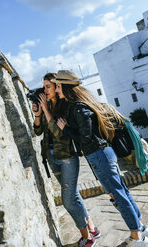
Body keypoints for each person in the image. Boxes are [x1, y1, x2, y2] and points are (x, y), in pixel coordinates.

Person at [52, 70, 148, 247]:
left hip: (99, 155)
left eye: (58, 86)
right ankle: (140, 228)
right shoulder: (79, 105)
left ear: (66, 87)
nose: (57, 89)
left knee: (118, 196)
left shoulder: (79, 107)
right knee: (122, 192)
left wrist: (65, 128)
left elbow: (86, 137)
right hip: (102, 154)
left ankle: (137, 236)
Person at [33, 73, 100, 247]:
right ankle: (92, 227)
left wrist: (46, 111)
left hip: (67, 158)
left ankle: (87, 237)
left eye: (48, 86)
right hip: (52, 157)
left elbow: (59, 133)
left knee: (68, 200)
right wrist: (38, 114)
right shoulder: (46, 105)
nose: (45, 90)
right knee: (74, 194)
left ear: (56, 87)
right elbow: (38, 132)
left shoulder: (65, 107)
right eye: (44, 86)